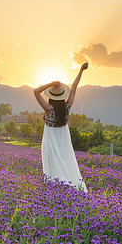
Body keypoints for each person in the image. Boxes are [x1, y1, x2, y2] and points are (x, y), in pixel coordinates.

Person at [34, 62, 89, 192]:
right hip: (64, 142)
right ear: (63, 96)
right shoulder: (67, 108)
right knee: (65, 164)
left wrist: (51, 83)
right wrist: (81, 70)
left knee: (53, 168)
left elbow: (36, 92)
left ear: (51, 97)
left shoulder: (48, 109)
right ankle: (68, 189)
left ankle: (55, 192)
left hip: (50, 142)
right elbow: (74, 87)